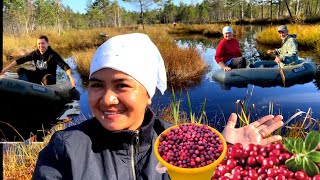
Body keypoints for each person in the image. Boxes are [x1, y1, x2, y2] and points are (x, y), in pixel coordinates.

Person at [32, 33, 284, 179]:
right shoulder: (65, 148)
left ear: (148, 93)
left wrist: (224, 156)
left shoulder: (175, 142)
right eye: (97, 85)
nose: (107, 98)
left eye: (121, 85)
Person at [0, 35, 76, 87]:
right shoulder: (35, 53)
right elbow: (20, 60)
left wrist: (71, 78)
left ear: (47, 44)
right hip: (37, 76)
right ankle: (26, 87)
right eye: (39, 43)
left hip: (48, 78)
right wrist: (5, 69)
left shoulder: (53, 54)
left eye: (43, 43)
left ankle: (44, 92)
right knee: (20, 70)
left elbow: (64, 65)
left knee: (48, 78)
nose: (41, 45)